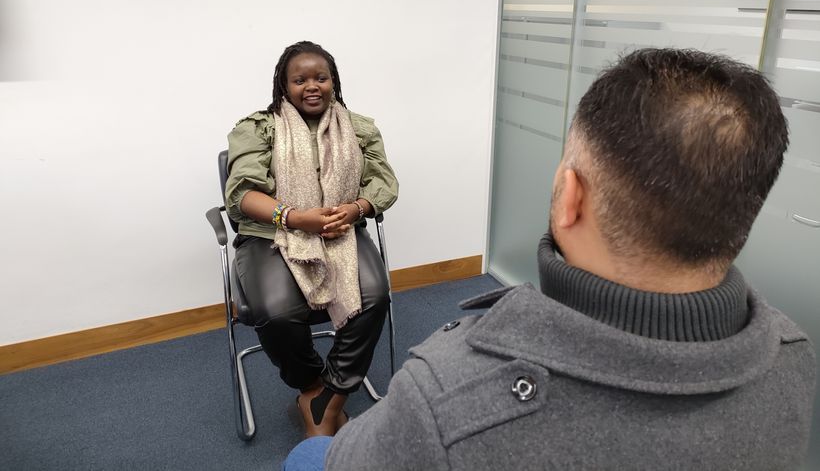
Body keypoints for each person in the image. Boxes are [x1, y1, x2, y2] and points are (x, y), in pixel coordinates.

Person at [284, 48, 816, 470]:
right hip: (287, 240)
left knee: (308, 456)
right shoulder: (792, 353)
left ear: (569, 197)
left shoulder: (447, 391)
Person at [225, 40, 398, 438]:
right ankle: (311, 386)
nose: (312, 86)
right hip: (272, 233)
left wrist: (356, 209)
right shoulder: (258, 128)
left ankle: (327, 399)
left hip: (340, 231)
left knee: (375, 298)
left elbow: (384, 182)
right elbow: (241, 194)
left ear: (334, 81)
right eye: (299, 79)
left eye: (321, 77)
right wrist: (296, 218)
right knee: (278, 312)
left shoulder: (358, 128)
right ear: (283, 86)